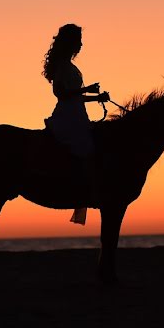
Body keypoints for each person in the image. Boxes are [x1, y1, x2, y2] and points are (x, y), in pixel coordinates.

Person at [42, 24, 109, 225]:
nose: (80, 44)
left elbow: (74, 97)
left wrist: (96, 97)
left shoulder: (69, 66)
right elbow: (61, 95)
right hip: (67, 117)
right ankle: (79, 188)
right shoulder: (62, 66)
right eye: (78, 40)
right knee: (85, 148)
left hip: (77, 114)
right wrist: (86, 90)